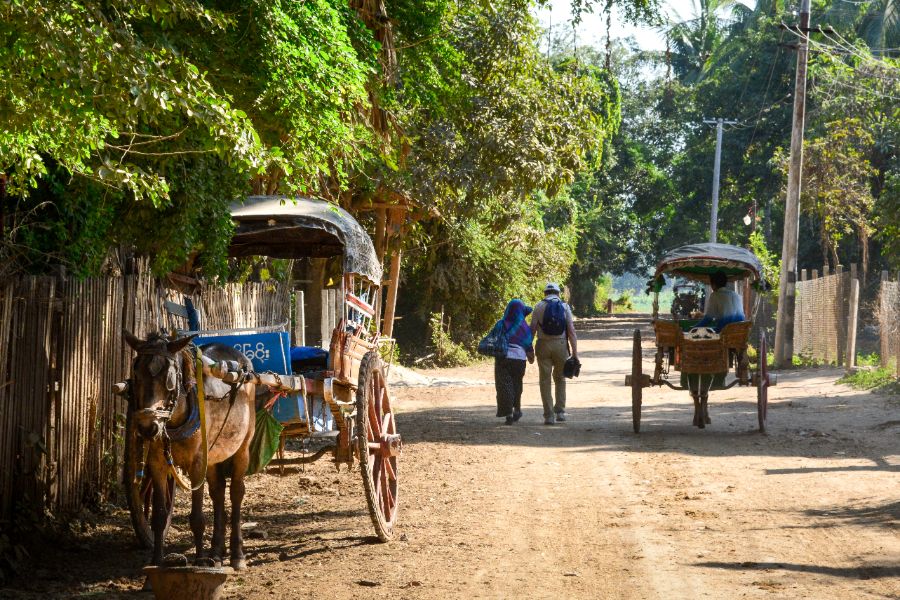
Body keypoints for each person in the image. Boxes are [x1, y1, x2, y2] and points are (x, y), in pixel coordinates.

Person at [530, 283, 578, 425]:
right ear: (558, 293)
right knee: (560, 378)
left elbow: (532, 329)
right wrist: (575, 353)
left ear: (545, 293)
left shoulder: (538, 306)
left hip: (543, 345)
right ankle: (561, 412)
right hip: (561, 345)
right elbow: (571, 331)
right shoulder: (564, 307)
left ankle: (549, 415)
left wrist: (529, 349)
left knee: (545, 380)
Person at [494, 299, 535, 425]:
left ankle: (509, 413)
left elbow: (494, 340)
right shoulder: (524, 327)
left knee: (505, 385)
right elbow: (528, 345)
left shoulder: (501, 324)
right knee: (517, 384)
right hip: (519, 360)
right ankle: (517, 409)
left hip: (503, 358)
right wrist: (531, 357)